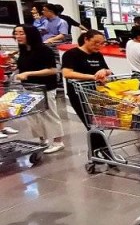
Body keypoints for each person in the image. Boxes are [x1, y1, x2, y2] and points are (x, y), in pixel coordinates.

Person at [13, 25, 65, 153]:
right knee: (33, 116)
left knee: (49, 114)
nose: (18, 36)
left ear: (31, 34)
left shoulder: (44, 50)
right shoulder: (24, 49)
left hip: (45, 87)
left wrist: (29, 73)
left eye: (21, 33)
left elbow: (52, 70)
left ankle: (58, 141)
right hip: (28, 87)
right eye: (16, 33)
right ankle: (42, 140)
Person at [61, 30, 113, 128]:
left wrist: (104, 71)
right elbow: (67, 73)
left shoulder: (98, 55)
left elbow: (108, 70)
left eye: (102, 43)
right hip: (78, 94)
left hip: (96, 93)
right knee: (91, 124)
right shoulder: (71, 54)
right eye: (96, 42)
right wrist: (93, 77)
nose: (98, 46)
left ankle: (99, 138)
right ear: (86, 39)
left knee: (100, 124)